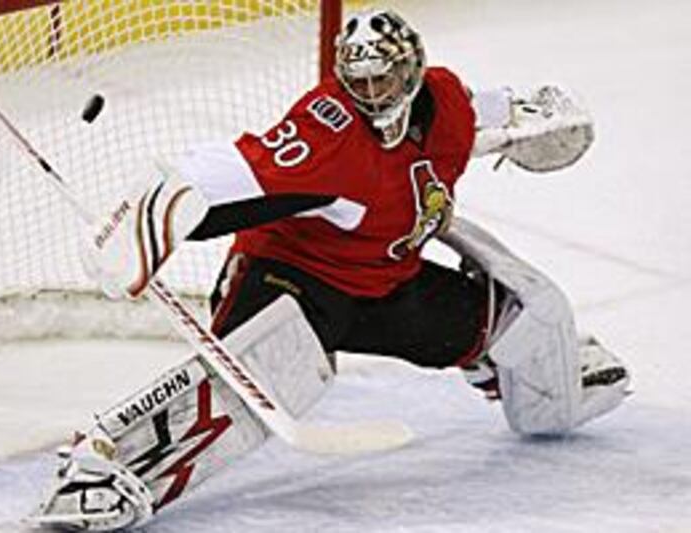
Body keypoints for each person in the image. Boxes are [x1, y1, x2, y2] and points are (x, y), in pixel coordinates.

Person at [34, 8, 630, 531]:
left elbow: (487, 112)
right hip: (291, 277)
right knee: (271, 374)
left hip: (385, 284)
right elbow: (230, 171)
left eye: (386, 78)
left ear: (414, 71)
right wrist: (144, 220)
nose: (374, 94)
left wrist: (534, 121)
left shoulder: (446, 102)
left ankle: (538, 375)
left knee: (509, 322)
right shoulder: (329, 131)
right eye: (359, 81)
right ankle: (106, 463)